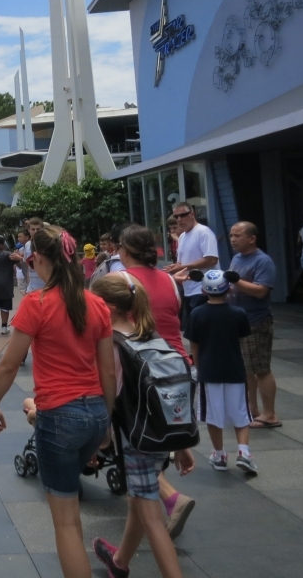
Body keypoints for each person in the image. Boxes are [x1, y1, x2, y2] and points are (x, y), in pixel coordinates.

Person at [0, 225, 115, 578]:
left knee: (67, 524)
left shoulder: (37, 304)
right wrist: (108, 420)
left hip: (58, 415)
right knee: (70, 506)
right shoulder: (98, 304)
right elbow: (108, 371)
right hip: (95, 413)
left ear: (39, 258)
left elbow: (10, 364)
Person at [89, 273, 192, 578]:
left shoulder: (115, 347)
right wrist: (181, 446)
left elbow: (109, 400)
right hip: (161, 436)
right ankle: (119, 562)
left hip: (136, 441)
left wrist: (98, 442)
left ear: (106, 305)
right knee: (139, 499)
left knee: (152, 517)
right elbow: (171, 397)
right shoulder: (151, 337)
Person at [117, 225, 195, 537]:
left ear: (123, 250)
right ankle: (123, 555)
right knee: (155, 443)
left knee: (135, 444)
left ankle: (170, 500)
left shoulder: (121, 281)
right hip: (176, 371)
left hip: (140, 371)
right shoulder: (170, 281)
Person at [185, 269, 258, 475]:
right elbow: (242, 339)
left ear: (203, 290)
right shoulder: (238, 314)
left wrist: (199, 368)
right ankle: (244, 452)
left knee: (213, 415)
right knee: (241, 414)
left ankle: (219, 454)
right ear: (229, 289)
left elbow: (195, 346)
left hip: (209, 371)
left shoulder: (197, 314)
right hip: (235, 369)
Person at [228, 221, 281, 429]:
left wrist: (236, 281)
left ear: (251, 238)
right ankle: (252, 409)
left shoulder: (262, 261)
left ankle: (270, 414)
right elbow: (233, 286)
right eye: (232, 235)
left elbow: (261, 291)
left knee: (261, 369)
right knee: (246, 369)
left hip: (256, 321)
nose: (233, 239)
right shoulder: (237, 258)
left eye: (238, 235)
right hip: (239, 320)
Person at [164, 201, 219, 326]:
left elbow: (212, 259)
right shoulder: (182, 236)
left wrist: (183, 266)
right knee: (193, 332)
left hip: (204, 289)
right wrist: (176, 267)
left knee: (201, 330)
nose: (179, 220)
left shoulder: (204, 232)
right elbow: (182, 261)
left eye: (182, 215)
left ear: (192, 214)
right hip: (188, 289)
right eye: (176, 217)